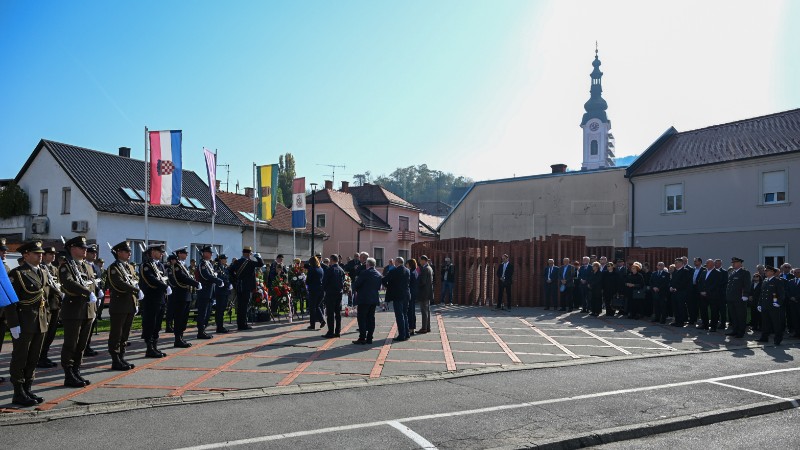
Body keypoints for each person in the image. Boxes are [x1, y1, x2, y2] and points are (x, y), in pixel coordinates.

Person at [6, 241, 49, 406]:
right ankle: (18, 392)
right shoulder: (17, 274)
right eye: (36, 253)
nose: (40, 255)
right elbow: (10, 302)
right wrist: (13, 324)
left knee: (34, 357)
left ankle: (27, 388)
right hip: (24, 322)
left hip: (40, 320)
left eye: (40, 253)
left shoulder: (42, 271)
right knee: (20, 357)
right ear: (26, 255)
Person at [58, 236, 99, 387]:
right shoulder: (66, 266)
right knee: (71, 344)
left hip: (88, 311)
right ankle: (68, 374)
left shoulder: (87, 266)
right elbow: (69, 282)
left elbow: (92, 284)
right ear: (72, 249)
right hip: (73, 310)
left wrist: (95, 295)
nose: (85, 250)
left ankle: (76, 370)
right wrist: (87, 293)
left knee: (81, 344)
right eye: (82, 248)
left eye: (85, 248)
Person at [106, 241, 141, 370]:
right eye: (127, 251)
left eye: (130, 251)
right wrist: (136, 291)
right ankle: (115, 359)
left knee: (125, 334)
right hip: (119, 305)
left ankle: (121, 357)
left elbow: (134, 280)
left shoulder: (129, 267)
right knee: (116, 334)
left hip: (129, 304)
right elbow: (119, 283)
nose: (130, 253)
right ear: (119, 253)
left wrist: (136, 299)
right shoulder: (113, 268)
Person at [139, 243, 170, 358]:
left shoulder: (160, 266)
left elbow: (164, 278)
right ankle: (149, 348)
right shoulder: (146, 265)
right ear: (152, 252)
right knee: (150, 324)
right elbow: (150, 279)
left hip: (161, 298)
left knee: (157, 324)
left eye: (162, 252)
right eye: (159, 251)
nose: (162, 254)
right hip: (151, 298)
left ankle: (155, 346)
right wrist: (165, 287)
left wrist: (165, 287)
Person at [172, 248, 203, 344]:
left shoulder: (183, 265)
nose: (186, 255)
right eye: (185, 253)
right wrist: (196, 283)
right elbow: (183, 278)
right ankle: (178, 338)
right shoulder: (177, 266)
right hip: (180, 294)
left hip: (187, 294)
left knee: (184, 318)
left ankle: (181, 337)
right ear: (179, 254)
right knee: (179, 317)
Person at [37, 246, 62, 368]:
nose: (53, 256)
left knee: (51, 333)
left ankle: (44, 355)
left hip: (55, 304)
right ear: (44, 255)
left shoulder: (54, 268)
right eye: (50, 254)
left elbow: (59, 284)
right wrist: (59, 292)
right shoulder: (41, 268)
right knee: (44, 333)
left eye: (54, 254)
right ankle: (39, 357)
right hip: (46, 304)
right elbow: (48, 285)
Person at [228, 246, 264, 331]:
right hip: (247, 287)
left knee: (240, 306)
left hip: (239, 286)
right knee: (244, 306)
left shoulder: (237, 262)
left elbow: (230, 271)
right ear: (248, 253)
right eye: (250, 253)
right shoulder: (250, 262)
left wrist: (235, 281)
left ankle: (240, 324)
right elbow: (261, 264)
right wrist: (257, 256)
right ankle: (243, 325)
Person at [352, 258, 382, 345]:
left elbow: (357, 284)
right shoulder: (378, 274)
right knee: (371, 318)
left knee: (362, 318)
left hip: (364, 298)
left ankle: (362, 337)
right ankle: (369, 338)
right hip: (373, 299)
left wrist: (355, 288)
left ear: (367, 264)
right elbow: (379, 287)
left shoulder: (364, 273)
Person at [195, 246, 222, 339]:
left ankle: (203, 329)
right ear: (205, 253)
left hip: (210, 292)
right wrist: (217, 280)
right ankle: (200, 331)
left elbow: (212, 274)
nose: (211, 255)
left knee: (207, 312)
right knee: (203, 312)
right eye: (209, 253)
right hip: (204, 291)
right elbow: (206, 275)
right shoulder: (202, 264)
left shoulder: (208, 264)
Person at [757, 265, 786, 345]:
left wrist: (778, 303)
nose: (765, 272)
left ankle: (778, 339)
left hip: (774, 306)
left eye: (767, 271)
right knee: (765, 323)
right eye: (765, 271)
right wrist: (759, 304)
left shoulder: (778, 281)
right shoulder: (765, 280)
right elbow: (762, 294)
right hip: (765, 305)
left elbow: (782, 294)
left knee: (776, 323)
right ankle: (764, 338)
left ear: (772, 272)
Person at [384, 257, 410, 341]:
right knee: (405, 314)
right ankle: (407, 333)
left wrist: (388, 286)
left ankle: (402, 335)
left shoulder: (394, 271)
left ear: (398, 262)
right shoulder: (407, 270)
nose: (394, 263)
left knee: (399, 315)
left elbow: (385, 280)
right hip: (406, 294)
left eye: (395, 262)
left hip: (397, 295)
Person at [725, 257, 751, 339]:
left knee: (741, 315)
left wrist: (745, 295)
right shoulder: (732, 273)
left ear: (740, 263)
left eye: (735, 262)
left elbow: (747, 285)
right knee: (733, 315)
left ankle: (741, 332)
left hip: (740, 298)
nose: (733, 264)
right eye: (732, 262)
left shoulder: (745, 272)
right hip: (731, 298)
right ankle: (735, 330)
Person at [322, 254, 345, 338]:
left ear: (331, 260)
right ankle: (337, 331)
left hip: (330, 293)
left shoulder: (330, 269)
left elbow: (324, 282)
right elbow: (343, 282)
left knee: (330, 313)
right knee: (338, 313)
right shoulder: (341, 270)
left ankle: (330, 331)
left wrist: (324, 290)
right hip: (339, 293)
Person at [697, 259, 722, 331]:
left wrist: (707, 292)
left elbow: (716, 284)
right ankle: (705, 325)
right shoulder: (704, 272)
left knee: (714, 311)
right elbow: (700, 282)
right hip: (703, 295)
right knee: (703, 310)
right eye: (707, 263)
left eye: (708, 263)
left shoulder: (717, 273)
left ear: (712, 264)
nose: (706, 264)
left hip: (712, 295)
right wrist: (701, 291)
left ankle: (713, 327)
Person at [669, 258, 691, 327]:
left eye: (677, 262)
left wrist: (677, 288)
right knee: (675, 307)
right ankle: (677, 320)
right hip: (674, 292)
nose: (675, 264)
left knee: (680, 307)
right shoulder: (675, 271)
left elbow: (685, 282)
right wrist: (671, 287)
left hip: (681, 292)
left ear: (681, 263)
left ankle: (681, 322)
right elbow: (672, 281)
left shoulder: (685, 271)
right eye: (675, 262)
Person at [214, 254, 232, 333]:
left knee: (222, 309)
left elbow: (227, 277)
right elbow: (220, 278)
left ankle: (221, 326)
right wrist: (228, 284)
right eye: (224, 259)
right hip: (220, 291)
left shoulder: (224, 267)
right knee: (219, 310)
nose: (226, 260)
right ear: (221, 260)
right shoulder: (218, 267)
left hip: (225, 291)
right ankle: (219, 327)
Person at [306, 256, 325, 330]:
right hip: (321, 290)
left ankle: (312, 325)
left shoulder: (311, 269)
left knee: (312, 307)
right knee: (317, 306)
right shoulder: (321, 269)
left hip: (313, 290)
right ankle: (322, 320)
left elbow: (308, 280)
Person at [417, 255, 433, 333]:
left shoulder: (425, 269)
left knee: (424, 311)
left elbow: (422, 282)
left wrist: (417, 283)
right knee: (427, 311)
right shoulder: (430, 268)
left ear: (424, 260)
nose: (419, 262)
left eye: (420, 260)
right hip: (428, 292)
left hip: (424, 293)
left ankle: (424, 328)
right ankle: (427, 327)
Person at [406, 259, 419, 335]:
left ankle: (410, 328)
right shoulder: (415, 272)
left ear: (409, 265)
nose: (406, 265)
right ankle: (412, 327)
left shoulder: (411, 273)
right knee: (412, 311)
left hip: (410, 294)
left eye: (407, 264)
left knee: (410, 311)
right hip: (413, 293)